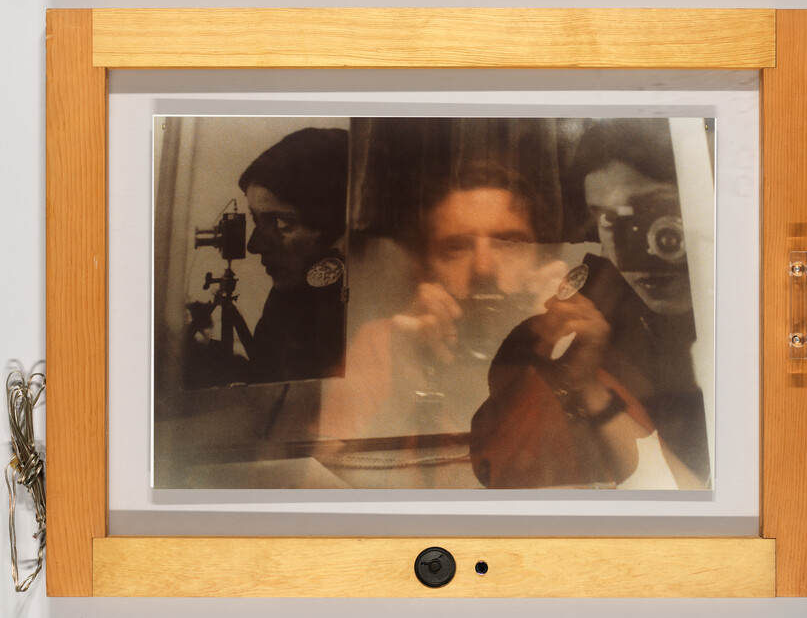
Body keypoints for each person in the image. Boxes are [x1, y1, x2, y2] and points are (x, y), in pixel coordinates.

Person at [317, 160, 695, 489]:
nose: (484, 268)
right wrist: (406, 390)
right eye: (456, 248)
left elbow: (676, 495)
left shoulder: (564, 354)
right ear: (424, 269)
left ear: (540, 262)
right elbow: (320, 494)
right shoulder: (385, 343)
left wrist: (586, 386)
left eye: (509, 243)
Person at [470, 119, 710, 488]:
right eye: (607, 219)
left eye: (652, 216)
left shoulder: (746, 300)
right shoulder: (590, 315)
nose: (628, 247)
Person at [238, 127, 349, 384]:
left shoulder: (361, 308)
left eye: (281, 222)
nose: (254, 246)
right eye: (256, 219)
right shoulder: (286, 298)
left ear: (335, 224)